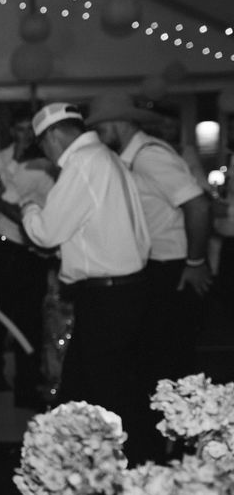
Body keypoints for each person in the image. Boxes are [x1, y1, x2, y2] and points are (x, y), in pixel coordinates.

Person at [20, 103, 151, 451]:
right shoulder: (106, 157)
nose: (47, 155)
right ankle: (84, 461)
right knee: (88, 386)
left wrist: (29, 206)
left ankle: (121, 466)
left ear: (52, 136)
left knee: (105, 391)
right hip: (125, 290)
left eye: (44, 146)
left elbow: (46, 233)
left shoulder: (83, 162)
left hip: (106, 296)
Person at [88, 93, 212, 461]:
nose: (97, 135)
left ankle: (185, 456)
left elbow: (199, 204)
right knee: (157, 365)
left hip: (171, 269)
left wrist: (195, 260)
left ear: (118, 124)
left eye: (99, 128)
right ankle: (165, 451)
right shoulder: (130, 158)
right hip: (157, 269)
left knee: (172, 367)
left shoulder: (150, 157)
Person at [0, 108, 55, 407]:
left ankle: (27, 385)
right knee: (1, 315)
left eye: (30, 128)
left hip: (35, 246)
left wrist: (2, 200)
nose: (25, 133)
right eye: (20, 128)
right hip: (6, 243)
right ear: (12, 130)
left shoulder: (45, 164)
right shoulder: (2, 159)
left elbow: (41, 204)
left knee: (30, 319)